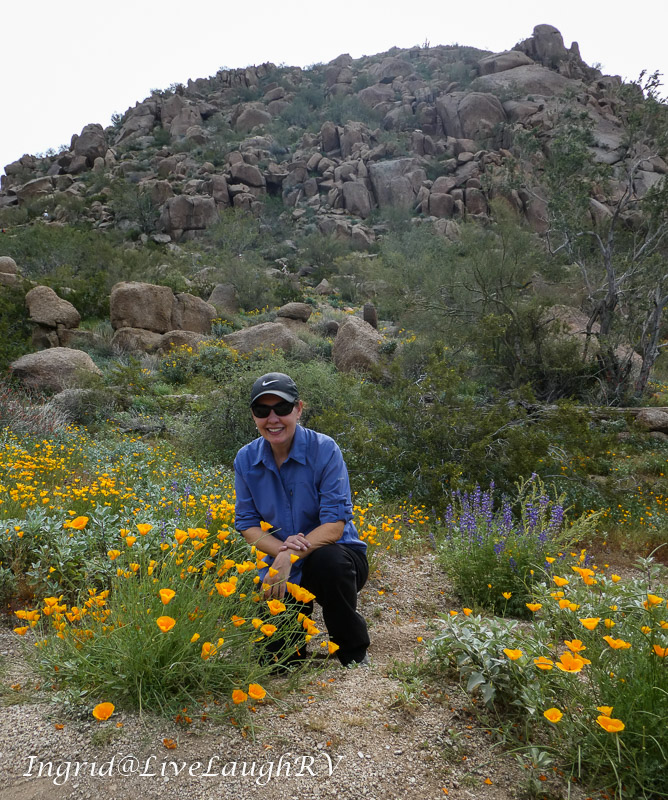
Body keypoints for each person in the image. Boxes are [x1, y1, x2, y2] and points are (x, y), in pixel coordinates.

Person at [234, 372, 370, 668]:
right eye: (262, 411)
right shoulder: (245, 460)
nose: (273, 419)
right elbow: (247, 524)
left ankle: (352, 649)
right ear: (254, 416)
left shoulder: (324, 450)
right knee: (277, 660)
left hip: (337, 557)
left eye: (281, 408)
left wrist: (289, 556)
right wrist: (282, 553)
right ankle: (292, 650)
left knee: (327, 563)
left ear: (298, 409)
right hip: (279, 560)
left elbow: (335, 526)